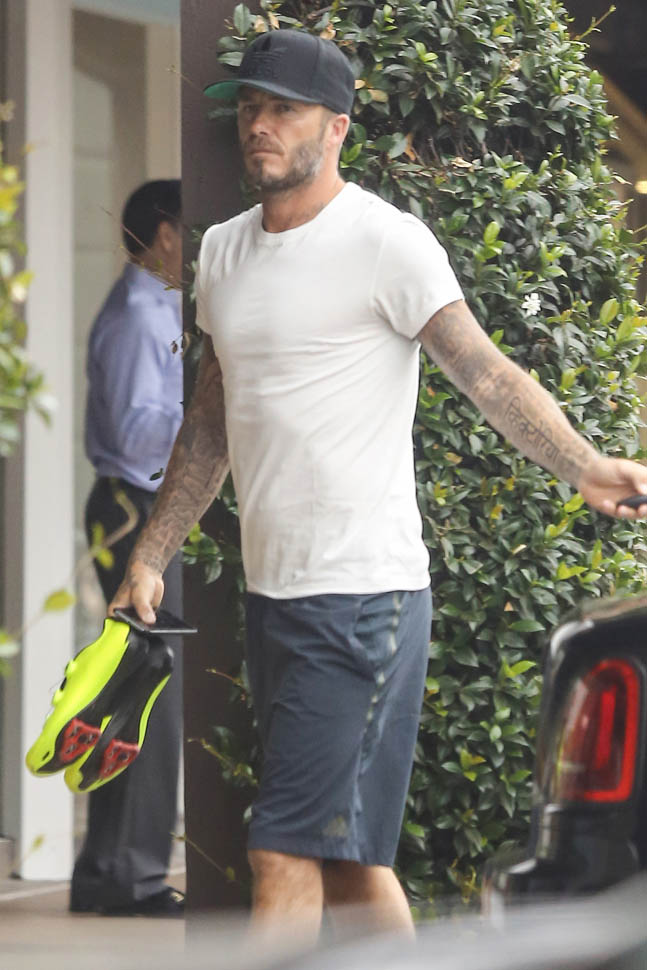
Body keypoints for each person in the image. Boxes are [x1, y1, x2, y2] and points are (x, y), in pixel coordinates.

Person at [110, 31, 647, 939]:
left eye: (284, 110)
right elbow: (208, 422)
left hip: (362, 597)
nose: (259, 125)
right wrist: (152, 555)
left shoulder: (385, 242)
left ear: (337, 129)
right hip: (274, 594)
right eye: (249, 108)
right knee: (352, 861)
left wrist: (584, 464)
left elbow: (483, 372)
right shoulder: (225, 254)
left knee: (282, 850)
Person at [71, 180, 185, 917]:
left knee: (136, 689)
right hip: (133, 510)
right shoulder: (140, 318)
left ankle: (109, 871)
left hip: (137, 508)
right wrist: (205, 413)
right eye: (191, 230)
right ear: (165, 234)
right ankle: (128, 877)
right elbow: (141, 435)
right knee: (148, 694)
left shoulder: (157, 308)